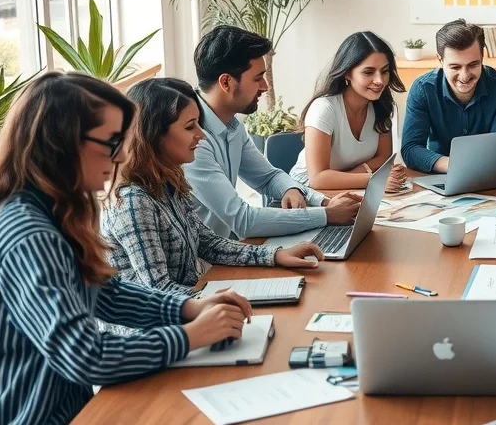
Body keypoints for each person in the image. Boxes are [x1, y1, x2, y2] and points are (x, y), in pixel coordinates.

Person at [0, 72, 254, 425]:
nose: (123, 153)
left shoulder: (58, 208)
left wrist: (188, 308)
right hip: (22, 415)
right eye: (111, 142)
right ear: (63, 144)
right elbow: (84, 357)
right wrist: (189, 336)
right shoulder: (27, 233)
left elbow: (105, 294)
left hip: (62, 405)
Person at [103, 78, 326, 297]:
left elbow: (206, 242)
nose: (201, 134)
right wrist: (216, 301)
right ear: (154, 135)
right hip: (151, 328)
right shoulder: (133, 200)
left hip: (186, 307)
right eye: (190, 126)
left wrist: (275, 256)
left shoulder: (169, 178)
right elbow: (158, 290)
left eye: (199, 123)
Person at [185, 26, 362, 240]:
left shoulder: (231, 125)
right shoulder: (192, 140)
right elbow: (243, 220)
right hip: (201, 268)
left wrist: (320, 200)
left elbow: (268, 177)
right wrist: (327, 215)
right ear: (226, 82)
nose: (265, 87)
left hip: (223, 254)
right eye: (258, 77)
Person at [290, 31, 408, 190]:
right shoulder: (324, 109)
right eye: (368, 72)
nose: (380, 81)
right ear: (347, 73)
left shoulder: (382, 105)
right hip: (307, 192)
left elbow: (383, 157)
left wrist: (358, 175)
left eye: (385, 71)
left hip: (352, 187)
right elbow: (318, 178)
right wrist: (374, 179)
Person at [401, 19, 496, 173]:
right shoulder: (423, 89)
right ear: (440, 60)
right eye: (455, 67)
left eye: (473, 65)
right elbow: (410, 149)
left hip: (488, 174)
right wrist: (454, 166)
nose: (464, 76)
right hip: (441, 174)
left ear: (482, 57)